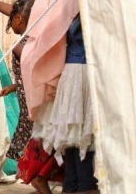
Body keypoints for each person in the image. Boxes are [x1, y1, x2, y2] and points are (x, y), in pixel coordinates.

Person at [44, 15, 98, 193]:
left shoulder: (68, 10)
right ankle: (83, 184)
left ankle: (75, 184)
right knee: (80, 131)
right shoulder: (81, 10)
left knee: (75, 132)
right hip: (82, 73)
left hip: (74, 72)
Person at [0, 0, 35, 161]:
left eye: (12, 17)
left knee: (26, 145)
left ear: (18, 19)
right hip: (30, 107)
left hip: (30, 108)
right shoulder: (35, 38)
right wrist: (15, 86)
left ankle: (33, 174)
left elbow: (34, 71)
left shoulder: (21, 46)